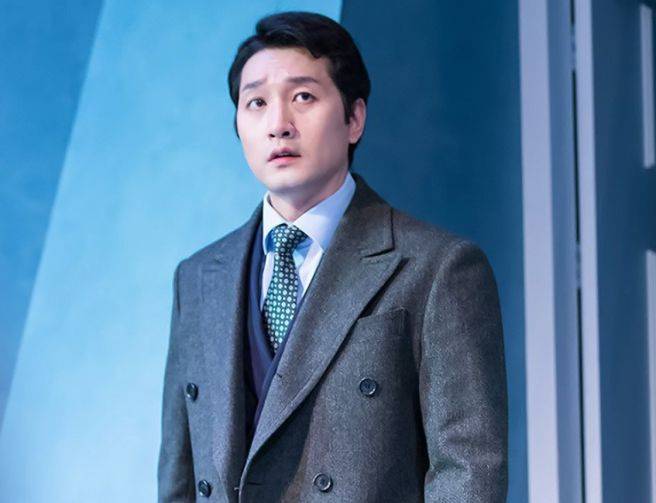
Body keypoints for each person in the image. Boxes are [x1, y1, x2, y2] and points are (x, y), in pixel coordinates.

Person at [158, 11, 507, 502]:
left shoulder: (437, 268)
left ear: (354, 118)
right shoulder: (197, 278)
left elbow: (467, 471)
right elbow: (179, 476)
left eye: (303, 97)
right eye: (256, 102)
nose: (278, 124)